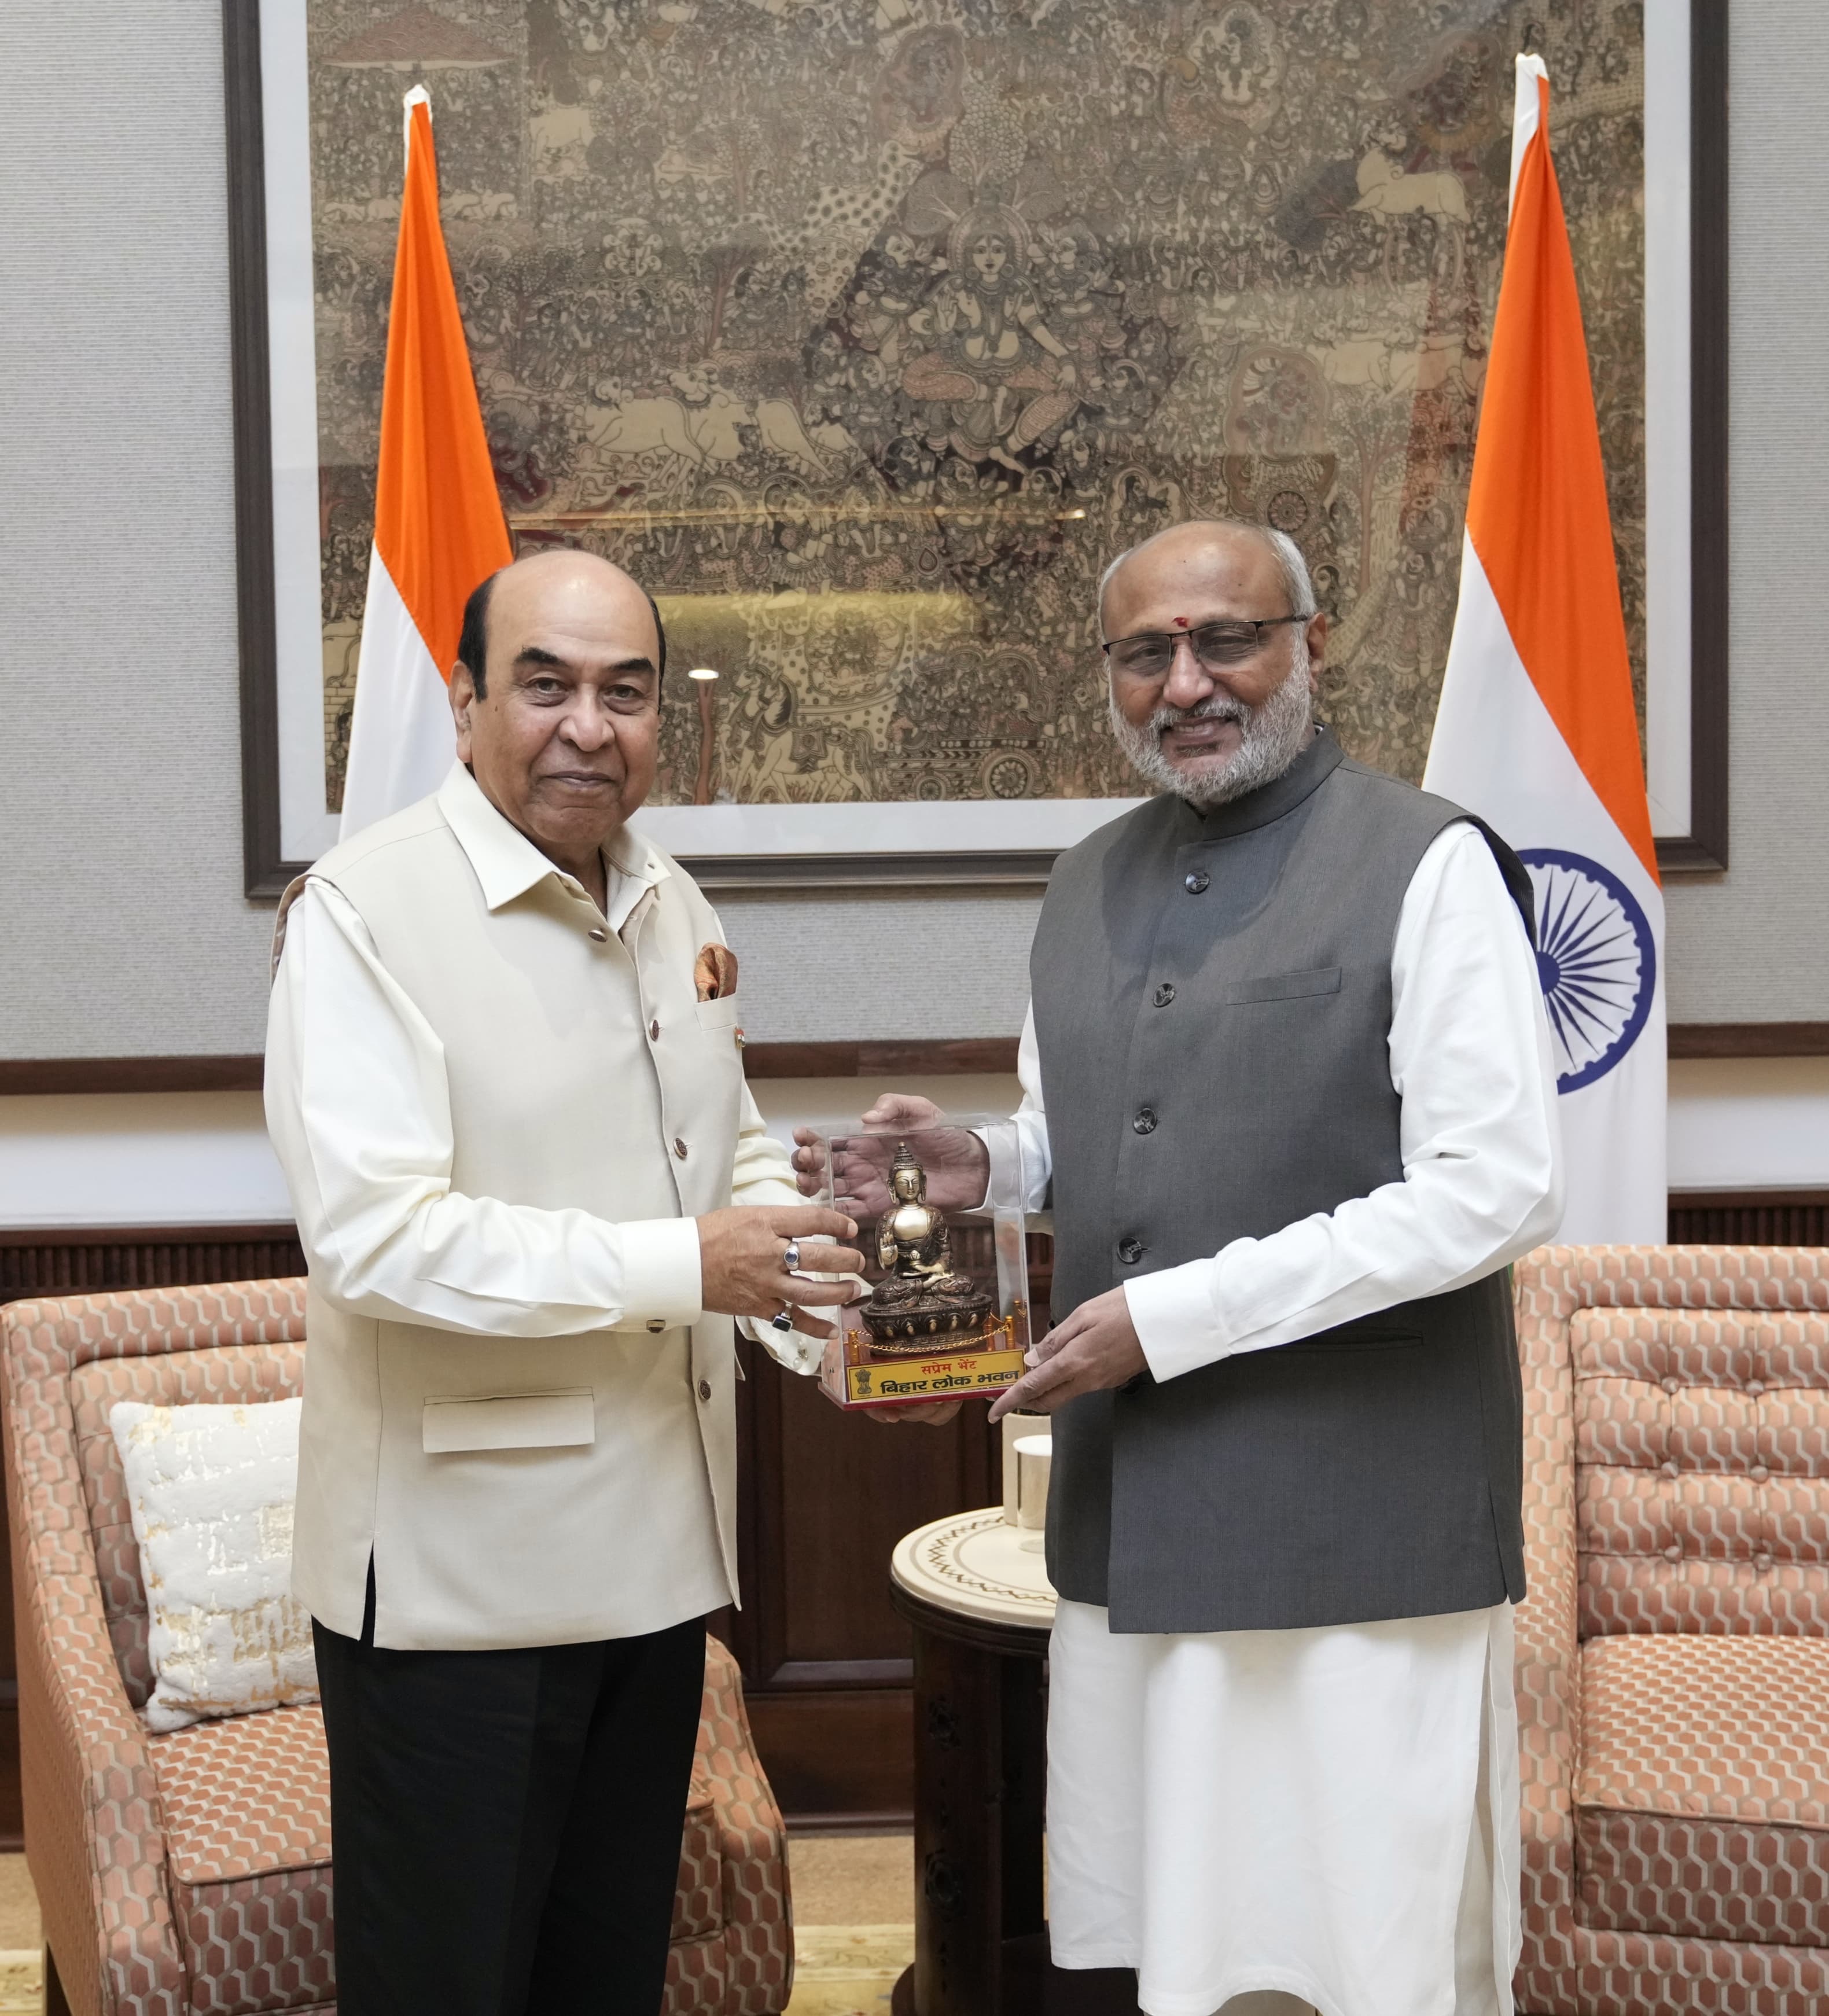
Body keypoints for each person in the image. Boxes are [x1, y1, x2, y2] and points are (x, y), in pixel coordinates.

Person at [823, 519, 1563, 2016]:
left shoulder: (1429, 862)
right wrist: (993, 1163)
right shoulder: (1084, 876)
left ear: (1309, 637)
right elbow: (1092, 1137)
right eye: (1145, 651)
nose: (1186, 681)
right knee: (1166, 1946)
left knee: (1366, 1954)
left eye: (1225, 637)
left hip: (1362, 1543)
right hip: (1138, 1533)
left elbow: (1497, 1188)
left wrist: (1173, 1318)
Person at [265, 549, 867, 2016]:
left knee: (604, 1978)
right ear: (465, 704)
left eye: (626, 691)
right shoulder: (362, 912)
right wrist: (695, 1264)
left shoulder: (670, 894)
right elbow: (377, 1236)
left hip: (653, 1565)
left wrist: (820, 1294)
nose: (588, 725)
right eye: (545, 684)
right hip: (459, 1596)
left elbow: (725, 1147)